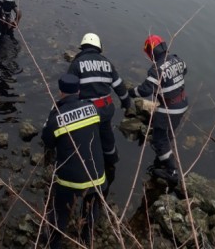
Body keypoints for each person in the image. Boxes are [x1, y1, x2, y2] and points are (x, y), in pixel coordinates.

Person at [41, 73, 106, 249]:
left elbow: (47, 141)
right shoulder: (93, 108)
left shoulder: (56, 117)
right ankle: (86, 238)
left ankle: (54, 241)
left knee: (60, 212)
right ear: (78, 90)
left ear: (61, 92)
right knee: (90, 209)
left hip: (69, 180)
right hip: (97, 176)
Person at [68, 32, 136, 193]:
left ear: (83, 47)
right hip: (106, 109)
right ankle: (111, 160)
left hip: (88, 111)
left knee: (86, 137)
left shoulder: (77, 63)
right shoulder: (107, 63)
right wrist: (127, 104)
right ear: (99, 48)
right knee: (106, 135)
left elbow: (69, 89)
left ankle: (87, 166)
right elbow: (119, 87)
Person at [129, 35, 188, 186]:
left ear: (151, 52)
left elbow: (144, 90)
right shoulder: (177, 59)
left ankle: (171, 172)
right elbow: (184, 70)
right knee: (167, 133)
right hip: (182, 102)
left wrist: (130, 92)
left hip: (170, 108)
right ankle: (163, 157)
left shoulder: (156, 70)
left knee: (159, 139)